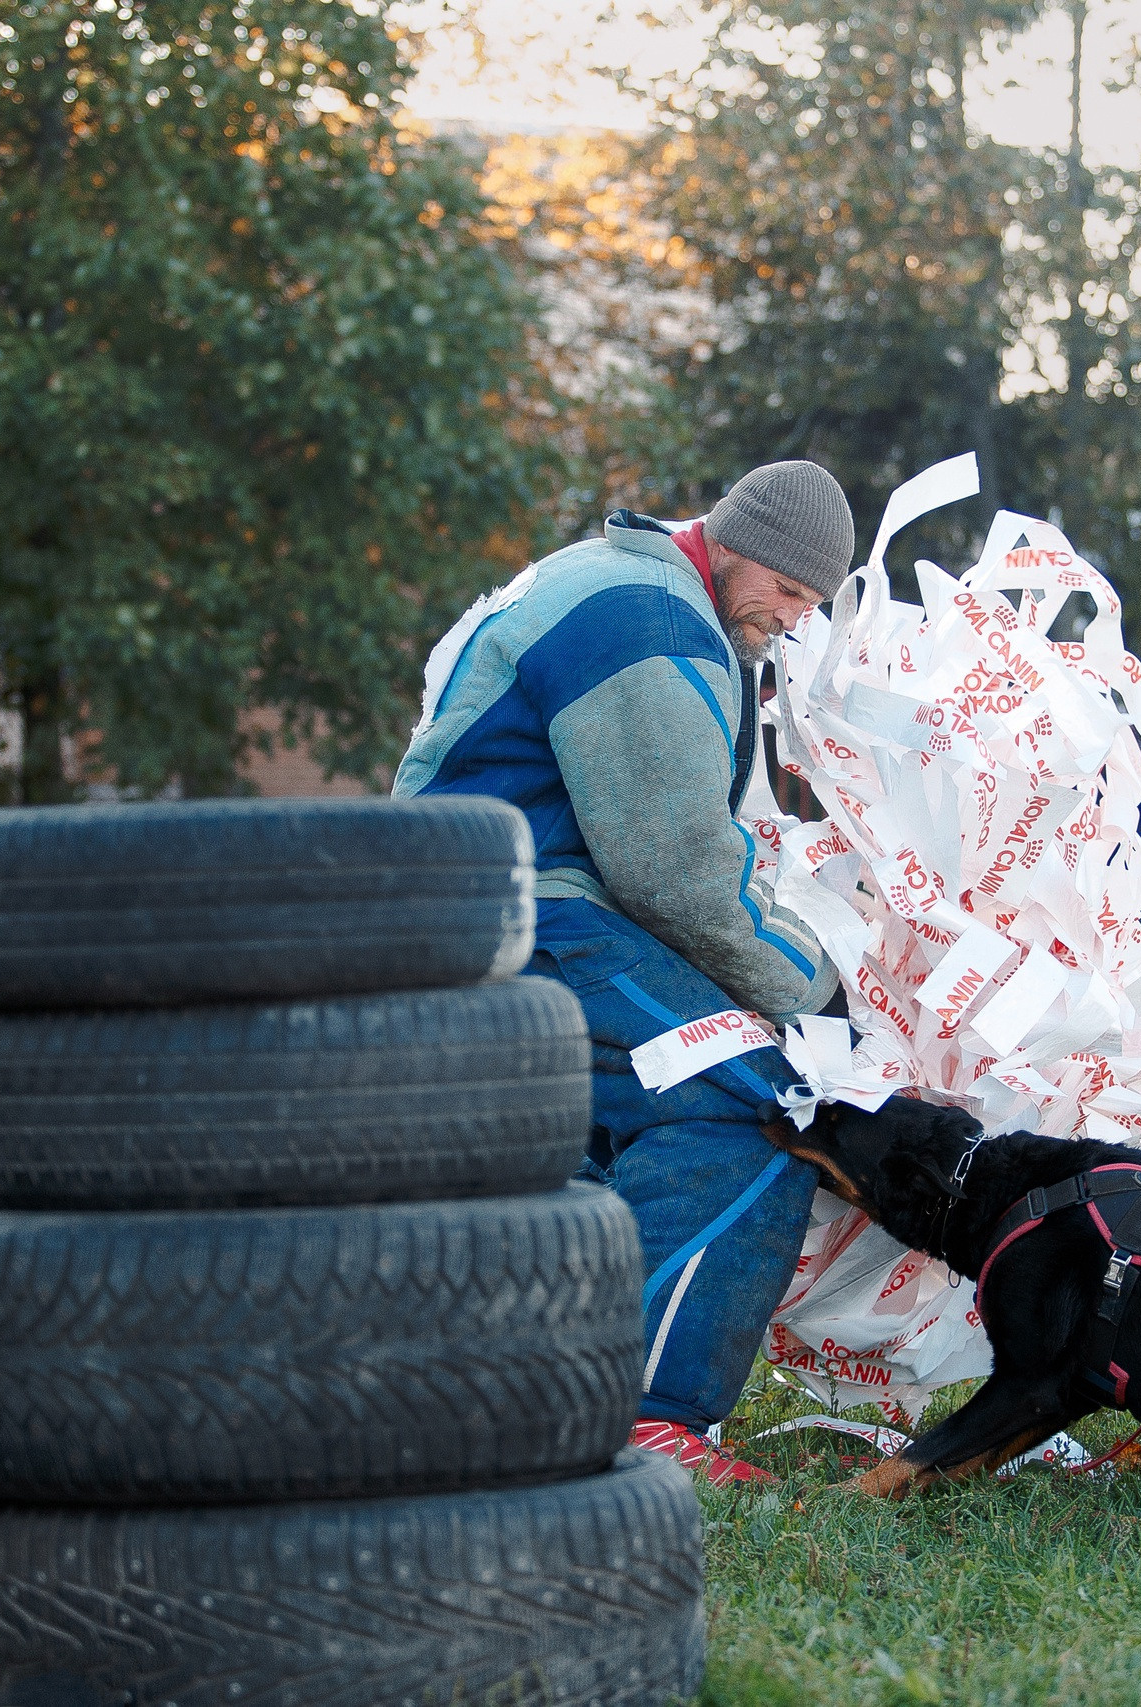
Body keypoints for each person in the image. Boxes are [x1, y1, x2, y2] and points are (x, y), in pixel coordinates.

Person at [395, 461, 855, 1483]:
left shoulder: (621, 581)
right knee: (762, 1103)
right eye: (785, 593)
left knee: (621, 1123)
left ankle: (514, 1389)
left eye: (807, 607)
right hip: (525, 913)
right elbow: (676, 869)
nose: (788, 622)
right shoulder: (649, 619)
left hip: (475, 901)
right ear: (736, 545)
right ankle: (638, 1413)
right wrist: (820, 998)